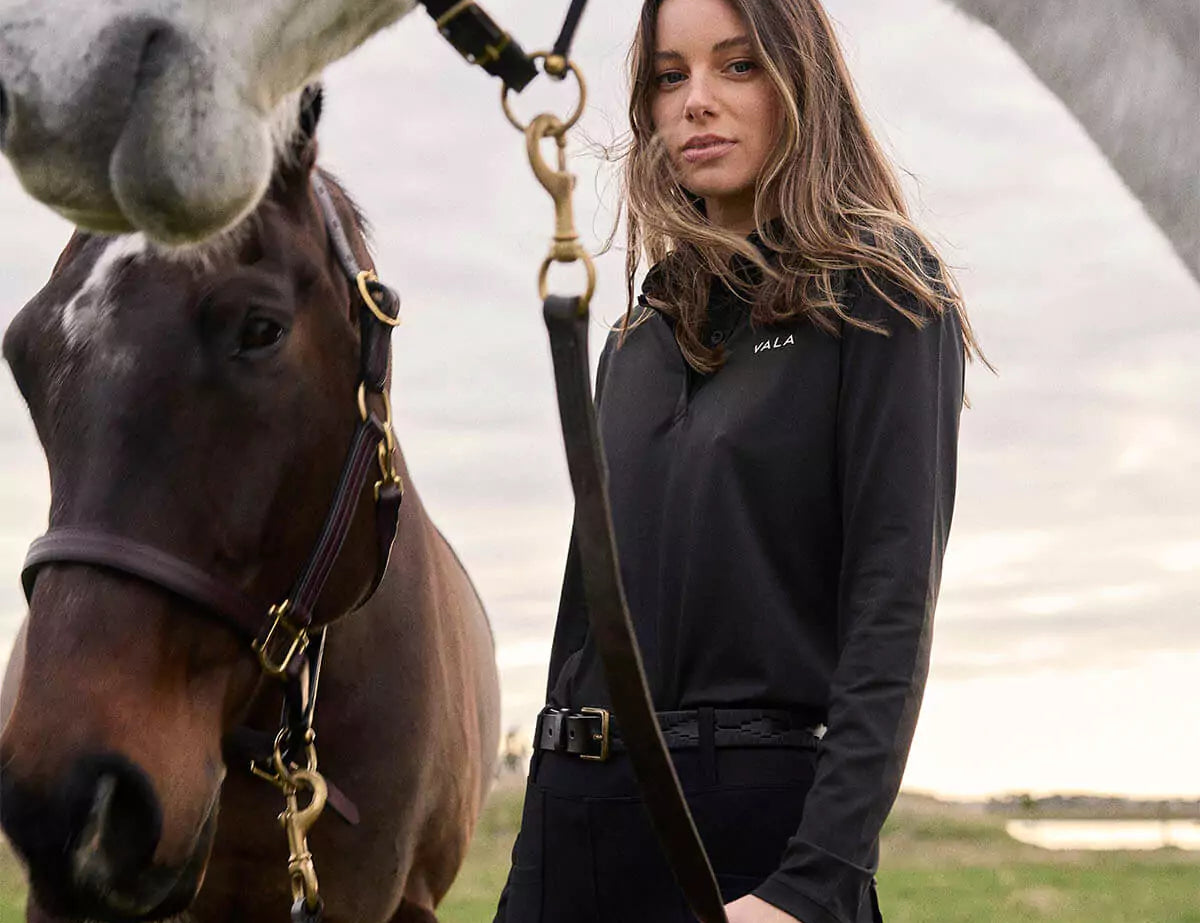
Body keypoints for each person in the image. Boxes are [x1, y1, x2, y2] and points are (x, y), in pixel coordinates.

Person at [493, 0, 990, 921]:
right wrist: (530, 875)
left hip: (747, 835)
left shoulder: (887, 295)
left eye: (738, 66)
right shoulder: (632, 337)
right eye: (670, 77)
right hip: (573, 823)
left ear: (802, 79)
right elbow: (583, 622)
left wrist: (812, 885)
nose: (698, 102)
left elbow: (891, 614)